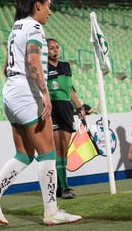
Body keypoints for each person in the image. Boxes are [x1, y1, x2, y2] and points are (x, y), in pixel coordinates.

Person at [0, 0, 82, 226]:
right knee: (47, 154)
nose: (50, 11)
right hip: (27, 93)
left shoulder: (15, 28)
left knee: (24, 154)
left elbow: (6, 66)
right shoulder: (35, 27)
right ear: (38, 5)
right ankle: (52, 212)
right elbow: (33, 60)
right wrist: (44, 93)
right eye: (48, 5)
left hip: (11, 92)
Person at [47, 38, 85, 199]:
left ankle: (61, 186)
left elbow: (70, 90)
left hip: (67, 109)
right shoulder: (43, 68)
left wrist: (79, 107)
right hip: (52, 109)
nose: (55, 50)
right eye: (51, 48)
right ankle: (63, 188)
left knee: (65, 148)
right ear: (45, 51)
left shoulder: (66, 66)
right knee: (58, 150)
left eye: (57, 47)